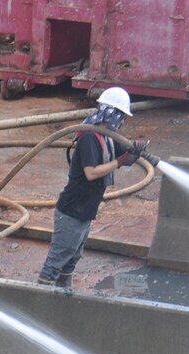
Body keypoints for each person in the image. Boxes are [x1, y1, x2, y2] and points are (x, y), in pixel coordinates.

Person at [38, 87, 144, 289]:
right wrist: (121, 161)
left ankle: (63, 295)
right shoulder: (89, 138)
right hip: (72, 210)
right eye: (121, 116)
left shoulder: (107, 137)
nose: (123, 122)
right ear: (112, 114)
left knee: (72, 258)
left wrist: (137, 148)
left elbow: (126, 150)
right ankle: (39, 300)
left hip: (85, 211)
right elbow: (91, 173)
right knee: (57, 260)